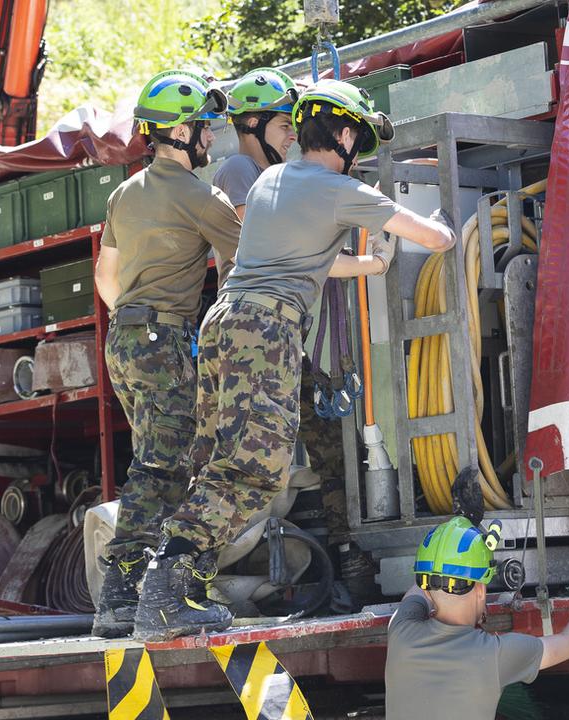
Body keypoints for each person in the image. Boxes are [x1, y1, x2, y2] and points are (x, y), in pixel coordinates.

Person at [132, 79, 456, 641]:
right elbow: (434, 239)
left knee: (217, 465)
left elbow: (306, 260)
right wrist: (451, 223)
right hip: (266, 329)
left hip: (223, 322)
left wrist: (369, 268)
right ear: (347, 134)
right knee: (256, 469)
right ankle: (163, 591)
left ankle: (175, 587)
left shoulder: (270, 182)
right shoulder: (340, 189)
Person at [90, 69, 241, 639]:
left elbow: (106, 275)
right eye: (204, 127)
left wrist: (137, 315)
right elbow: (242, 271)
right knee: (162, 467)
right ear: (179, 131)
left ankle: (133, 594)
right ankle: (127, 595)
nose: (209, 139)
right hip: (163, 341)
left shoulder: (124, 192)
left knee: (155, 462)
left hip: (123, 341)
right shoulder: (205, 198)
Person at [214, 67, 361, 610]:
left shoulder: (279, 176)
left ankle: (344, 555)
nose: (291, 135)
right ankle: (192, 570)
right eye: (281, 124)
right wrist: (363, 261)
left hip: (277, 334)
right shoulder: (239, 171)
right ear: (251, 124)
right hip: (255, 335)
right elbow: (286, 248)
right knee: (254, 459)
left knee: (326, 440)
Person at [384, 516, 569, 720]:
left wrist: (458, 539)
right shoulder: (493, 655)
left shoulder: (401, 633)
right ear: (481, 591)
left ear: (427, 588)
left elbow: (417, 591)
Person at [213, 67, 299, 219]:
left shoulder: (270, 174)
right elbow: (252, 235)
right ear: (254, 123)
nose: (293, 137)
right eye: (285, 126)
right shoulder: (239, 167)